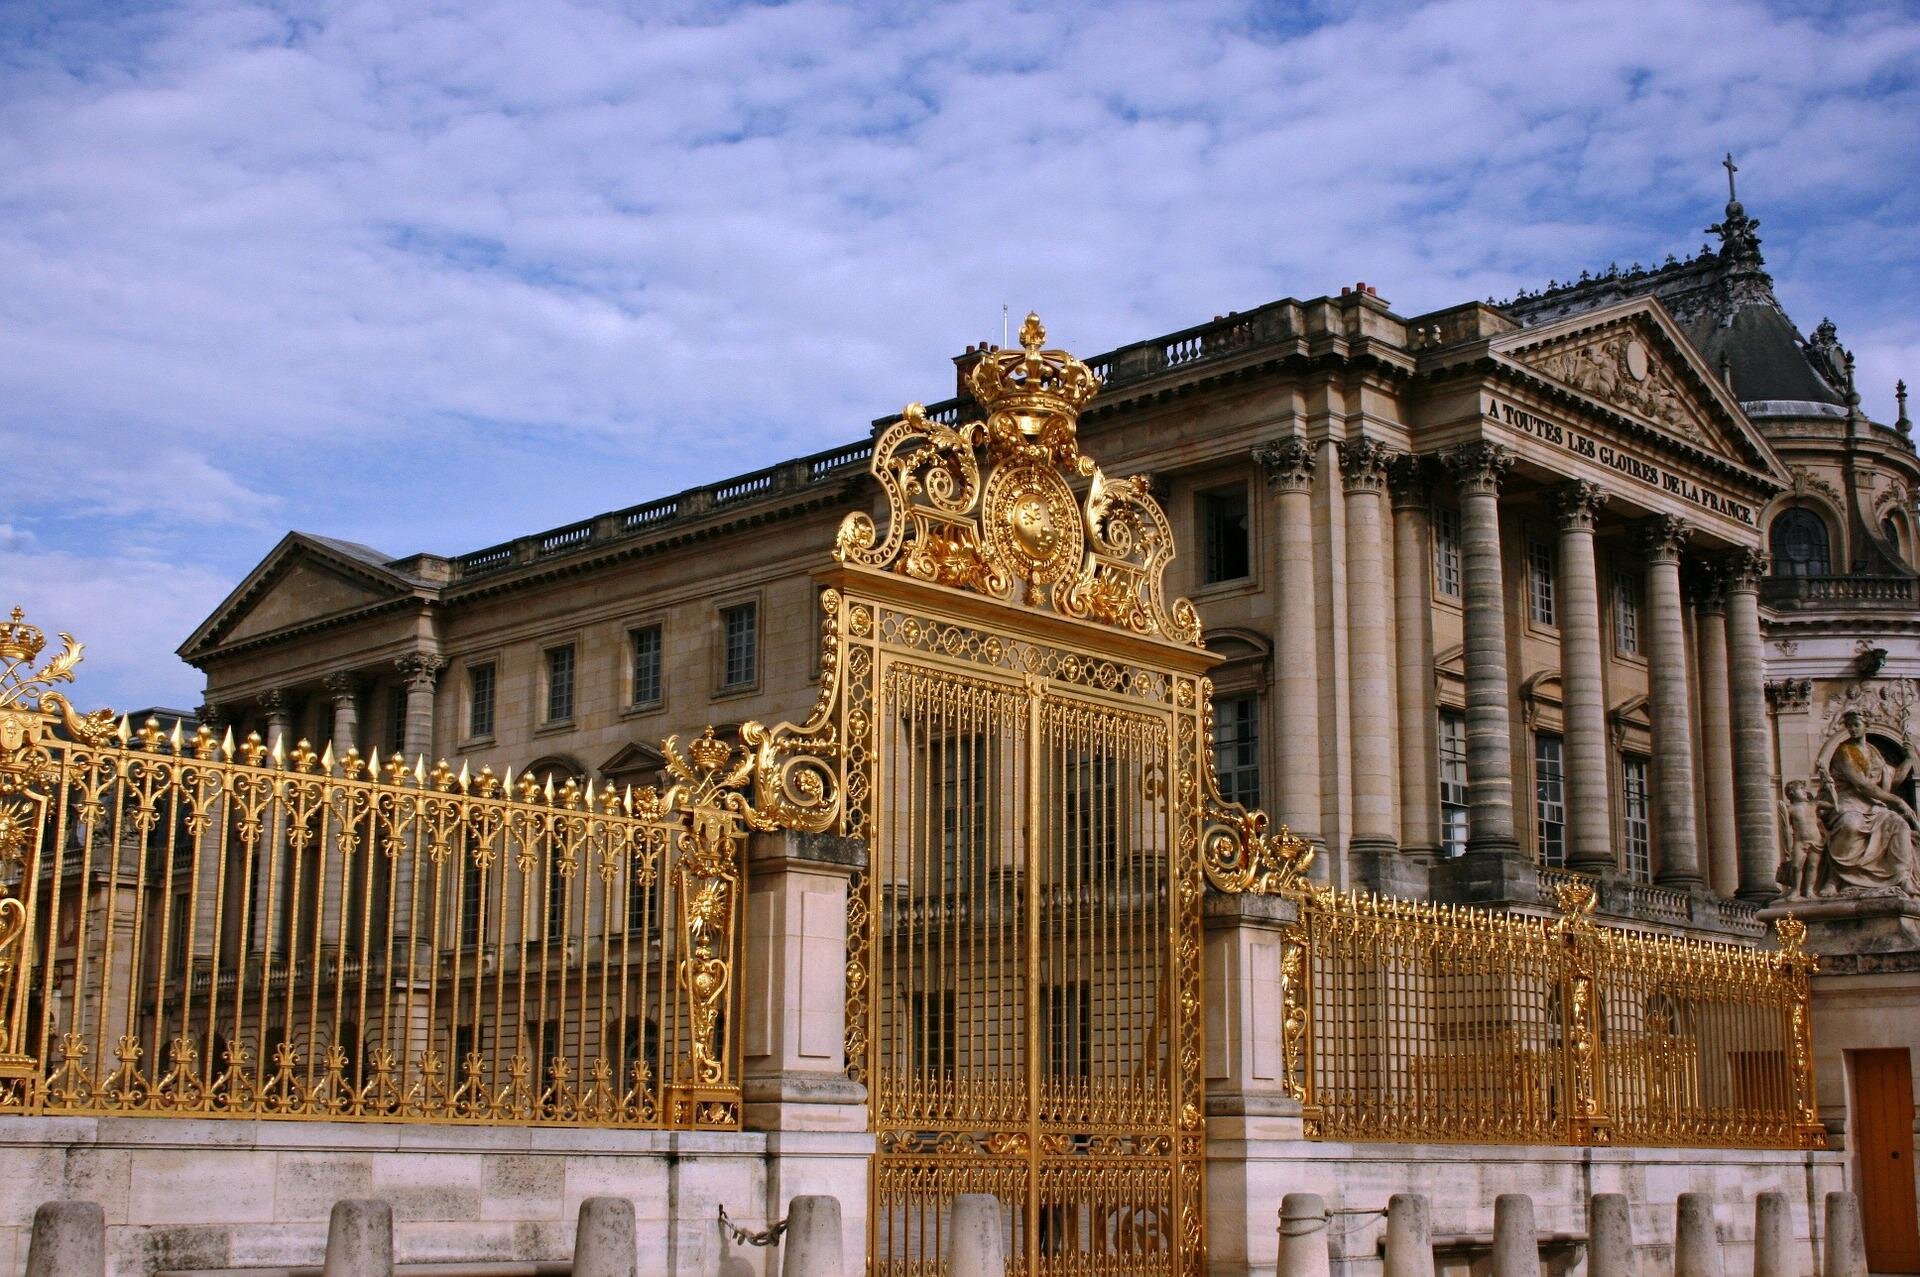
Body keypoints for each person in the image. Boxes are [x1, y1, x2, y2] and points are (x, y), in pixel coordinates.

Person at [1821, 709, 1920, 896]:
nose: (1852, 729)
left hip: (1873, 804)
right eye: (1849, 725)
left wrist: (1908, 758)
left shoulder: (1874, 752)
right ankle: (1835, 878)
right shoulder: (1844, 751)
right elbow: (1862, 785)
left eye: (1856, 725)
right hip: (1849, 800)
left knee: (1899, 825)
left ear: (1866, 726)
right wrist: (1898, 801)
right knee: (1851, 824)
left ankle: (1902, 877)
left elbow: (1893, 779)